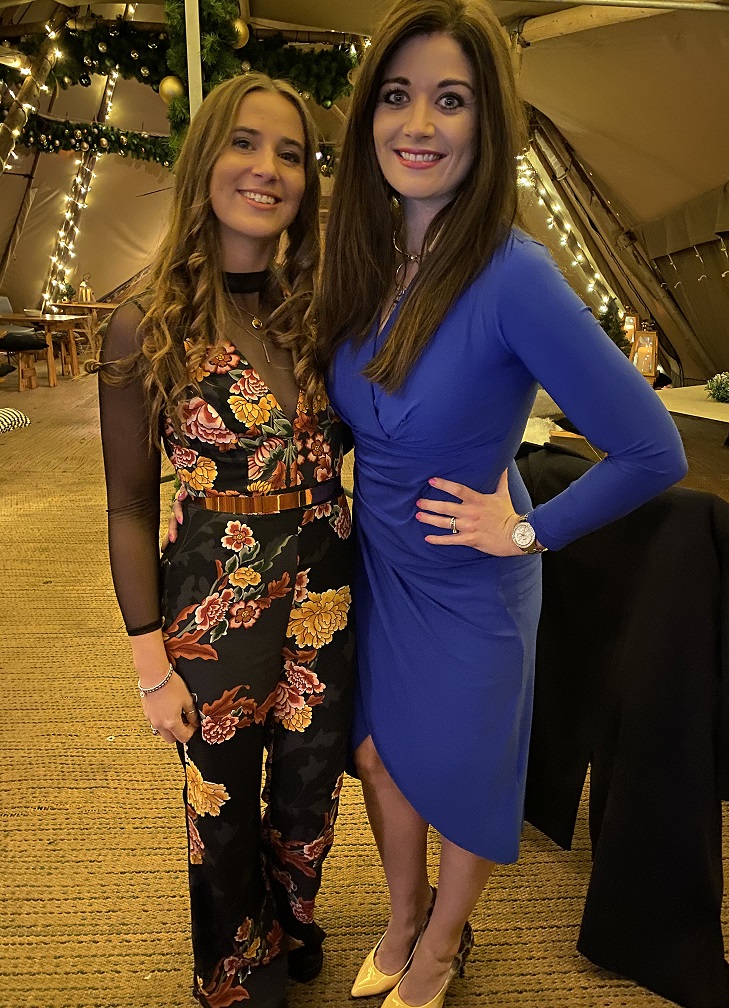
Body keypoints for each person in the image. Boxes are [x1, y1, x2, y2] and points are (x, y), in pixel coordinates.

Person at [314, 2, 688, 1007]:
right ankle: (402, 918)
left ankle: (441, 945)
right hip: (384, 566)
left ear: (486, 124)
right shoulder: (362, 248)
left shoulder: (516, 273)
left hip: (474, 577)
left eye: (451, 100)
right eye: (398, 98)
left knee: (468, 775)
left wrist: (525, 528)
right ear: (368, 119)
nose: (419, 126)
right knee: (379, 755)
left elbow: (655, 448)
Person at [95, 73, 353, 1008]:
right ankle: (236, 967)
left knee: (309, 787)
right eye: (245, 143)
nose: (267, 169)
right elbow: (127, 506)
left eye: (290, 153)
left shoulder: (319, 309)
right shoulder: (144, 320)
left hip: (327, 588)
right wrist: (148, 663)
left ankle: (290, 921)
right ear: (206, 158)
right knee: (222, 801)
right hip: (212, 605)